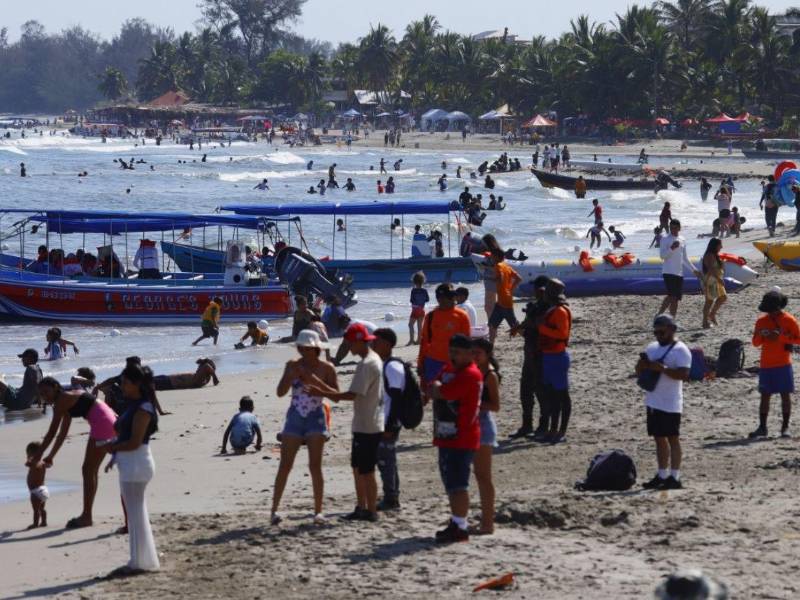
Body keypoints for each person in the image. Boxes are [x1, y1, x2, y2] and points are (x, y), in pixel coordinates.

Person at [307, 323, 384, 522]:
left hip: (368, 425)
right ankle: (361, 507)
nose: (348, 347)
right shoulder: (371, 360)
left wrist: (321, 391)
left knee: (366, 471)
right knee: (358, 469)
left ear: (359, 342)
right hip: (366, 422)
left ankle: (371, 511)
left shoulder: (367, 364)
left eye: (349, 343)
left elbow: (351, 395)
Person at [270, 330, 337, 525]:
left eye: (308, 348)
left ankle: (318, 512)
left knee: (315, 466)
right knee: (285, 465)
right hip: (295, 416)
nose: (304, 351)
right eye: (301, 348)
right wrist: (290, 377)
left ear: (316, 349)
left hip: (316, 416)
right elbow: (280, 392)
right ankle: (274, 511)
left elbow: (336, 396)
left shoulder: (327, 368)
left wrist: (314, 381)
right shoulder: (292, 365)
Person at [35, 377, 118, 528]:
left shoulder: (62, 401)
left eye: (46, 392)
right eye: (41, 394)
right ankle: (87, 515)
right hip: (107, 417)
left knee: (88, 470)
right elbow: (62, 433)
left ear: (56, 387)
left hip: (102, 422)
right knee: (90, 470)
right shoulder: (66, 399)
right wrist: (51, 456)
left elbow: (52, 433)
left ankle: (86, 516)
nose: (44, 396)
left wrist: (37, 456)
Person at [105, 363, 160, 573]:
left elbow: (135, 441)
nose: (122, 386)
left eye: (126, 382)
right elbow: (126, 437)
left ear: (137, 384)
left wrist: (112, 447)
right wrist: (114, 455)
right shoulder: (134, 405)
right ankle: (140, 559)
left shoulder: (143, 408)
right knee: (136, 512)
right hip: (130, 462)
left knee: (136, 514)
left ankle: (141, 561)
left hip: (137, 463)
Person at [428, 334, 482, 543]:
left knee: (458, 484)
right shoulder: (450, 369)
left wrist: (438, 388)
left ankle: (461, 526)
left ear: (469, 354)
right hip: (446, 434)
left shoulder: (470, 374)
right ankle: (456, 521)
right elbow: (434, 386)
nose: (453, 356)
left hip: (462, 437)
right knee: (450, 482)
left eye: (457, 352)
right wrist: (437, 388)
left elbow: (445, 392)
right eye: (451, 352)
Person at [636, 314, 691, 491]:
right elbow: (638, 371)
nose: (659, 336)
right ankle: (662, 475)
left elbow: (684, 375)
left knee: (673, 438)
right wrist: (642, 365)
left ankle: (675, 477)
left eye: (662, 332)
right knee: (659, 439)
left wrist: (663, 369)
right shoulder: (652, 348)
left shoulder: (681, 350)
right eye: (656, 332)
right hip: (653, 401)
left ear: (672, 330)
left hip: (671, 402)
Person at [749, 290, 800, 439]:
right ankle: (762, 427)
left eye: (772, 310)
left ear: (779, 307)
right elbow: (755, 343)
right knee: (765, 396)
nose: (770, 313)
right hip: (766, 365)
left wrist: (781, 337)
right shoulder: (761, 321)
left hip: (783, 364)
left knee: (785, 395)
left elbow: (798, 339)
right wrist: (761, 335)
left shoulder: (789, 320)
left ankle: (785, 428)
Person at [509, 275, 551, 438]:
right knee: (525, 390)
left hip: (541, 355)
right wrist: (520, 329)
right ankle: (527, 425)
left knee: (541, 391)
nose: (534, 291)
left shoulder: (549, 308)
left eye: (537, 288)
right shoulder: (535, 306)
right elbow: (528, 331)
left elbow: (538, 326)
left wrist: (522, 326)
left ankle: (543, 426)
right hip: (530, 353)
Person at [371, 328, 404, 510]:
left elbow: (398, 398)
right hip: (384, 419)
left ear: (386, 344)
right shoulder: (385, 364)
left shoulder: (392, 367)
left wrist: (390, 425)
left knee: (386, 459)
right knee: (385, 458)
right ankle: (391, 495)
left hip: (389, 421)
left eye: (375, 341)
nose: (372, 344)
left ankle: (391, 498)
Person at [538, 279, 573, 443]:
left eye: (546, 292)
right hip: (548, 356)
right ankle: (552, 430)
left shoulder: (560, 311)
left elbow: (562, 334)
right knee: (552, 396)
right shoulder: (551, 309)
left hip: (557, 357)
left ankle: (561, 431)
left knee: (562, 396)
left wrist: (541, 328)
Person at [471, 338, 499, 534]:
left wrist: (472, 403)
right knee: (477, 475)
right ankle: (484, 519)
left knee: (483, 476)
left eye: (478, 353)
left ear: (487, 354)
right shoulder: (474, 370)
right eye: (472, 352)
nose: (474, 356)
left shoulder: (490, 375)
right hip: (471, 425)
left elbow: (496, 406)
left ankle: (488, 523)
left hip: (484, 427)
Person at [418, 284, 471, 386]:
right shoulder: (430, 316)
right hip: (432, 362)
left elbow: (467, 343)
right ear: (439, 299)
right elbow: (425, 341)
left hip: (454, 363)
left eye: (454, 296)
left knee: (451, 393)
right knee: (432, 391)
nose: (454, 299)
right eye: (450, 296)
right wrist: (420, 363)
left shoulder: (462, 316)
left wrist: (467, 365)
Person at [659, 220, 700, 317]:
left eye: (675, 228)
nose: (673, 230)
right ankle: (660, 315)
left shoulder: (682, 239)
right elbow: (662, 256)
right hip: (668, 272)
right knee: (672, 296)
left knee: (675, 298)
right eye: (671, 228)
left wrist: (694, 270)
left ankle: (671, 319)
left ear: (679, 228)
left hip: (679, 273)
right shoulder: (665, 239)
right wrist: (672, 248)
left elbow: (684, 258)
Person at [488, 249, 521, 343]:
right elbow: (519, 278)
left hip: (504, 301)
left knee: (514, 326)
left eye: (492, 256)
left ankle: (528, 337)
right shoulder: (507, 266)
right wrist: (510, 289)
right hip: (503, 300)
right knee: (492, 324)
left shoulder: (498, 265)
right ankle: (490, 346)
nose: (491, 258)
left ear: (497, 257)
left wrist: (493, 279)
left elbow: (500, 278)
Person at [701, 238, 727, 329]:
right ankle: (705, 322)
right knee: (709, 301)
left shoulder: (715, 255)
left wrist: (722, 264)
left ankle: (712, 314)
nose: (721, 247)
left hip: (716, 280)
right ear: (715, 245)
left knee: (723, 297)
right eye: (720, 245)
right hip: (711, 280)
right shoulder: (709, 255)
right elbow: (710, 269)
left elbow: (717, 268)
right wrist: (719, 279)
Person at [151, 358, 220, 391]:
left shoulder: (201, 380)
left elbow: (206, 366)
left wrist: (215, 377)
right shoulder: (200, 377)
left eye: (200, 367)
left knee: (148, 382)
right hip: (168, 378)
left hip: (169, 383)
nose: (198, 368)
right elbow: (206, 366)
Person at [25, 441, 49, 529]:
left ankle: (35, 524)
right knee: (41, 508)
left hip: (36, 491)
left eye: (28, 453)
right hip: (44, 490)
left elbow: (27, 464)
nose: (27, 456)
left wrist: (30, 459)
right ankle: (44, 521)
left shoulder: (34, 462)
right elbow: (48, 465)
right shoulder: (43, 463)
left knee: (36, 509)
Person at [408, 271, 430, 345]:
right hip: (422, 310)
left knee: (410, 325)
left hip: (415, 310)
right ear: (423, 281)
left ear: (414, 281)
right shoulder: (424, 290)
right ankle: (419, 340)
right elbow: (427, 299)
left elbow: (411, 300)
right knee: (419, 326)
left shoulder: (413, 290)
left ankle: (411, 340)